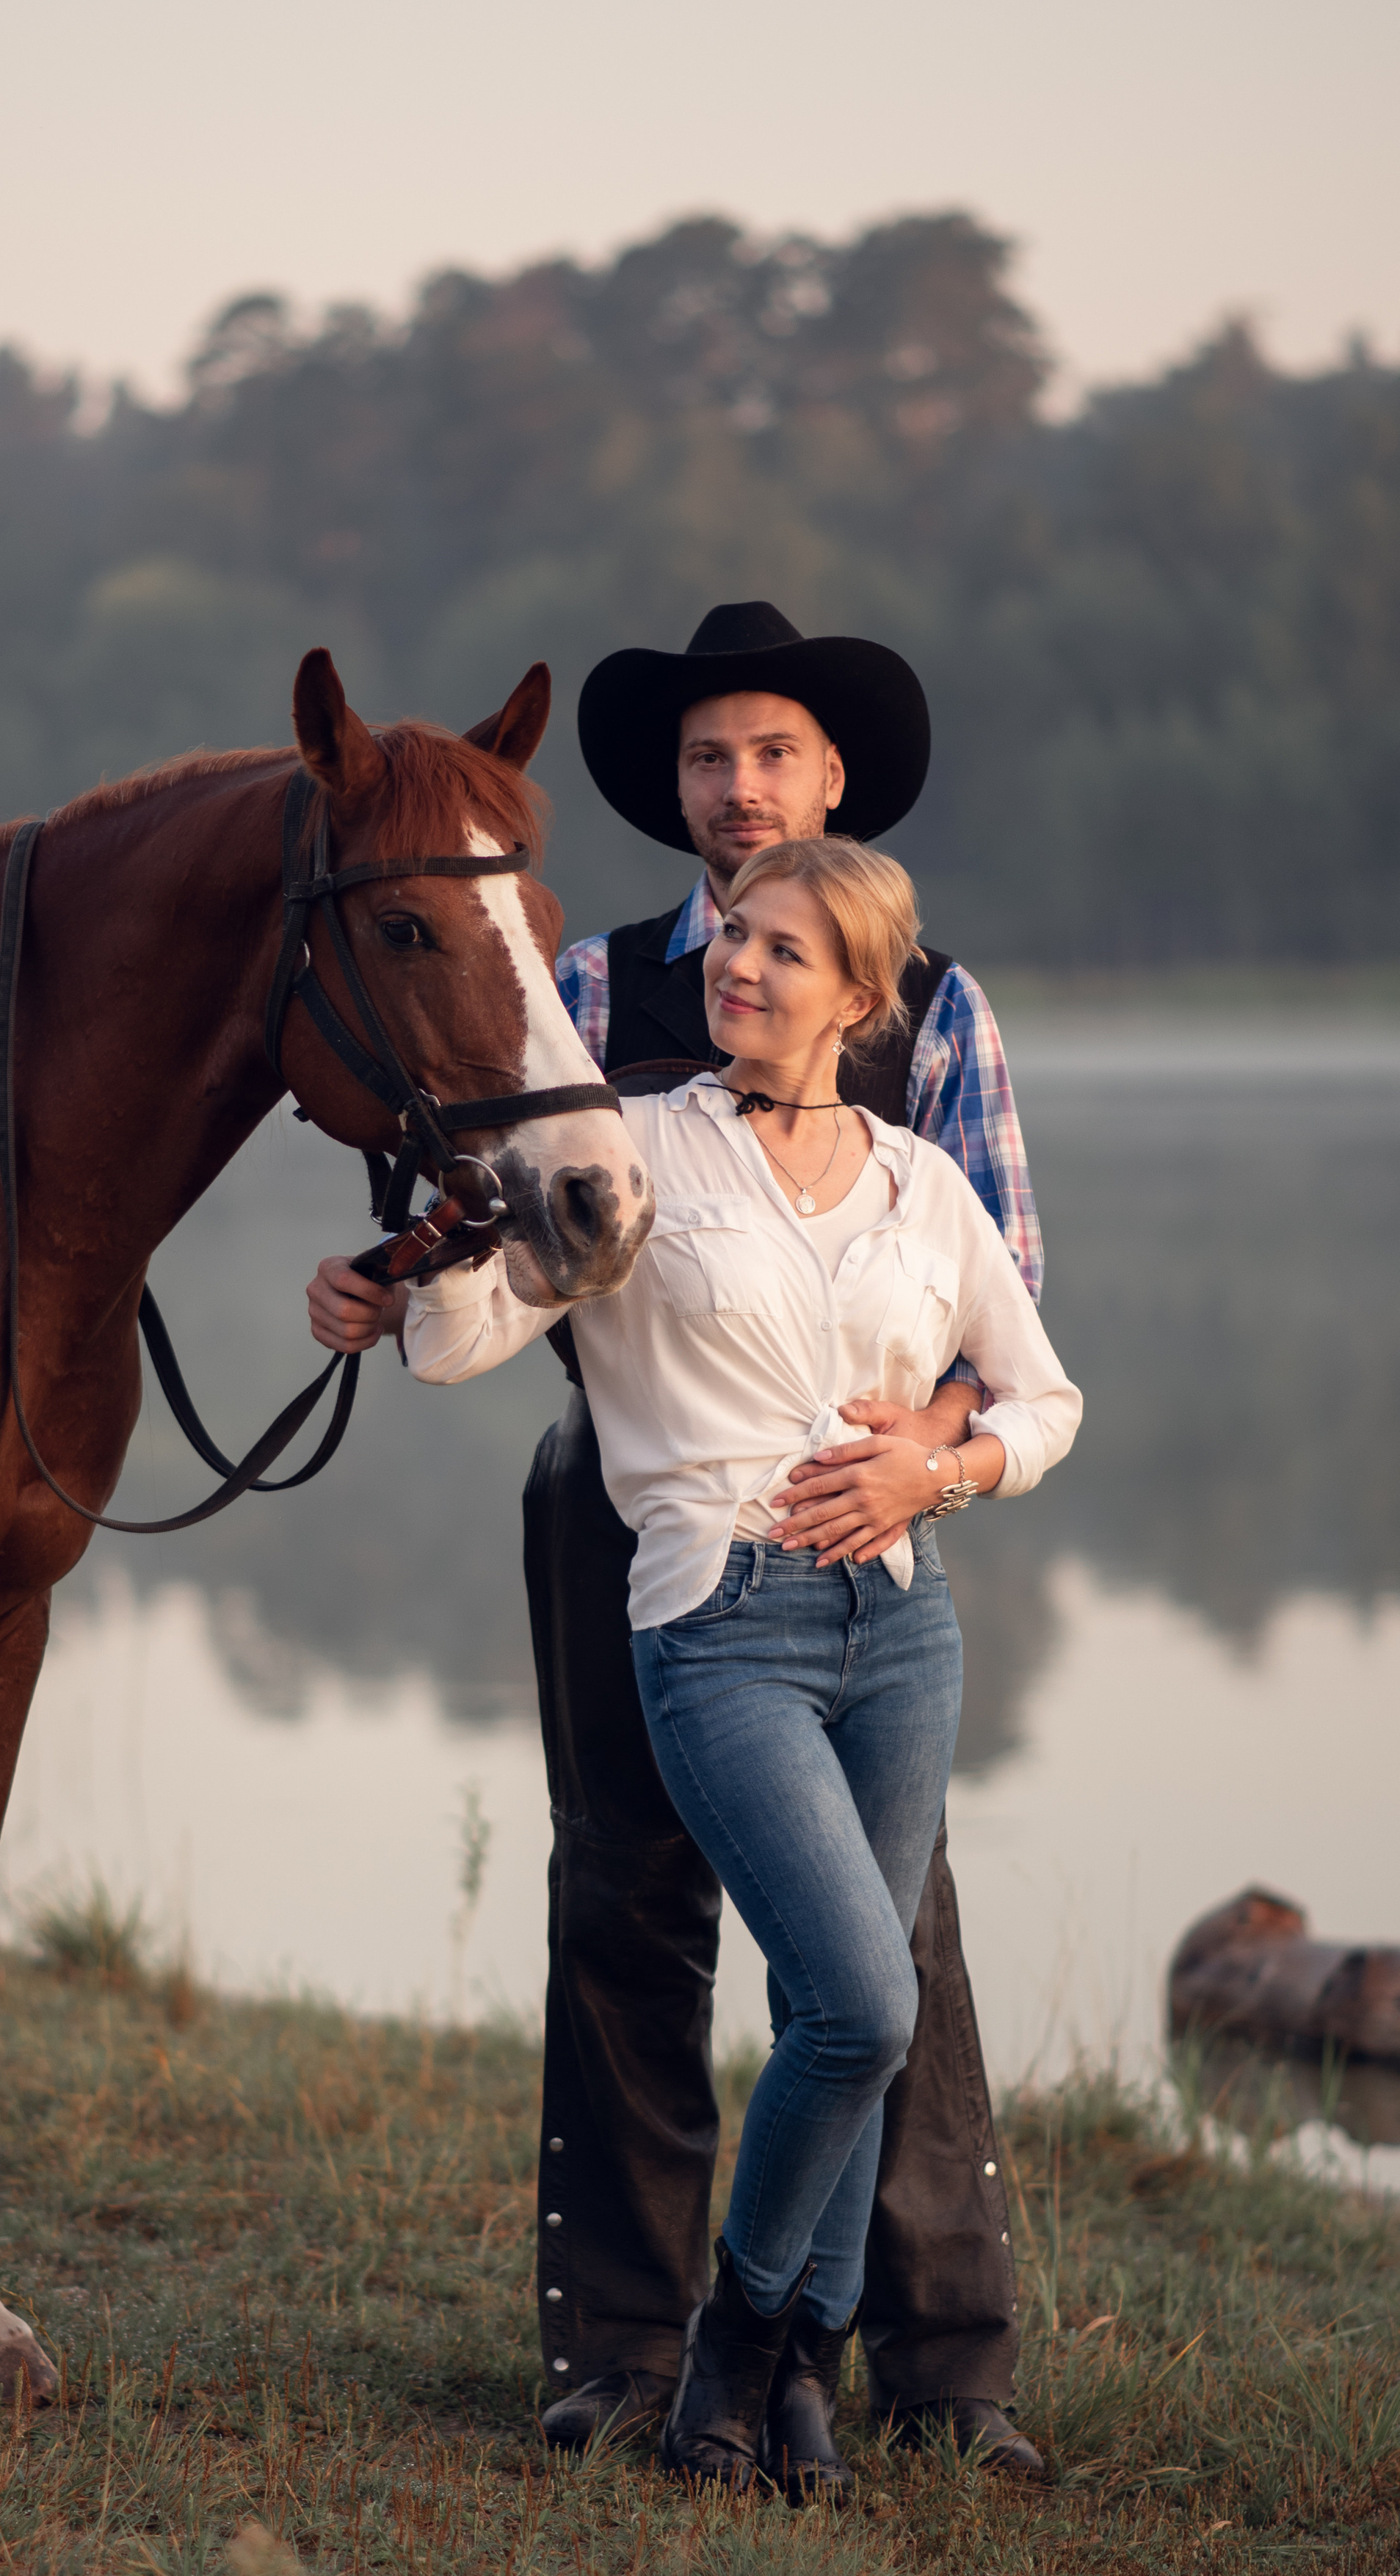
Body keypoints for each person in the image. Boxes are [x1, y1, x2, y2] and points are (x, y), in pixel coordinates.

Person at [311, 602, 1053, 2490]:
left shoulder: (932, 1001)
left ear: (830, 782)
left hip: (879, 1523)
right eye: (708, 759)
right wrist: (385, 1278)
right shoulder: (582, 979)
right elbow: (472, 1209)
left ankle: (938, 2360)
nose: (738, 789)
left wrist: (931, 1461)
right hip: (627, 1504)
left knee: (891, 1943)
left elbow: (1006, 1306)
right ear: (674, 791)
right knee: (622, 1898)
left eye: (774, 755)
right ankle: (630, 2358)